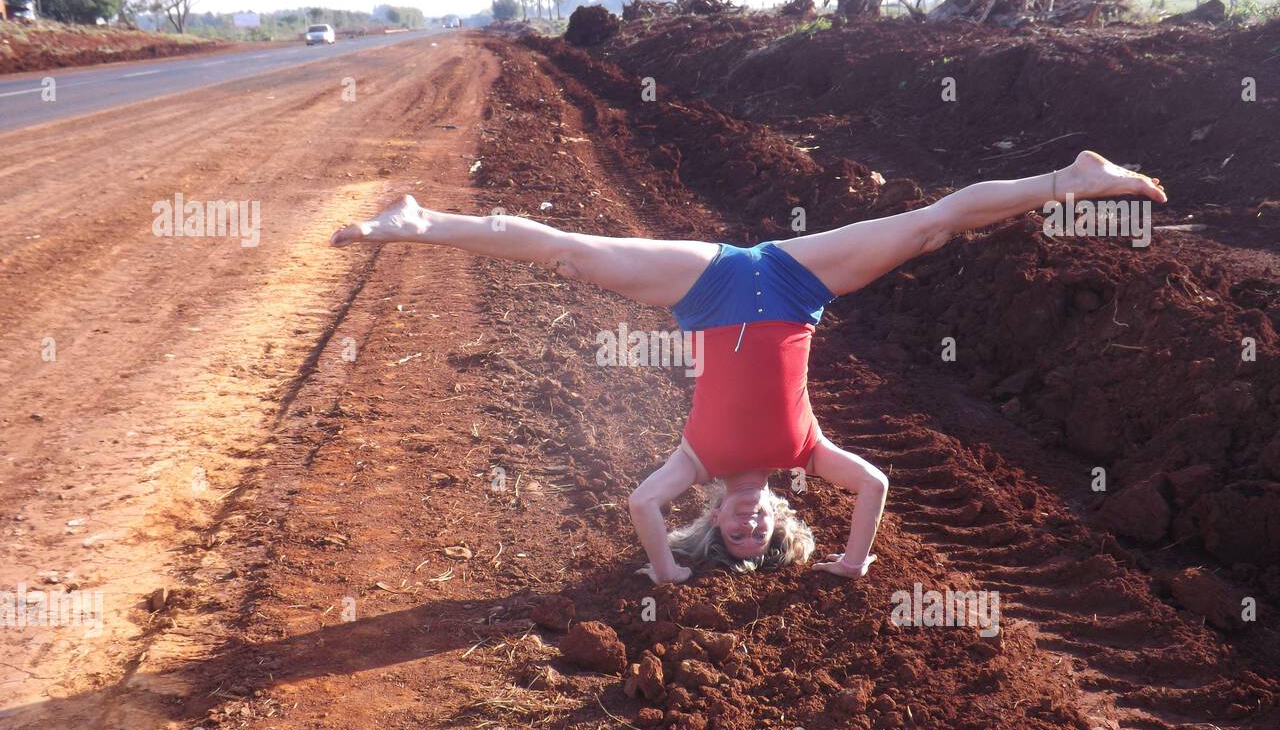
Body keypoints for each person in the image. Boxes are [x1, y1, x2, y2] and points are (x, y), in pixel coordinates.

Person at [330, 150, 1166, 584]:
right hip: (800, 284)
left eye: (731, 536)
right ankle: (1072, 178)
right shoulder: (805, 456)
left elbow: (639, 504)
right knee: (930, 225)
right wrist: (852, 559)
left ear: (710, 524)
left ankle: (420, 218)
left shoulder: (696, 465)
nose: (746, 527)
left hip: (708, 287)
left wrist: (668, 568)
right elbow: (873, 489)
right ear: (776, 521)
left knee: (571, 254)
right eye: (757, 535)